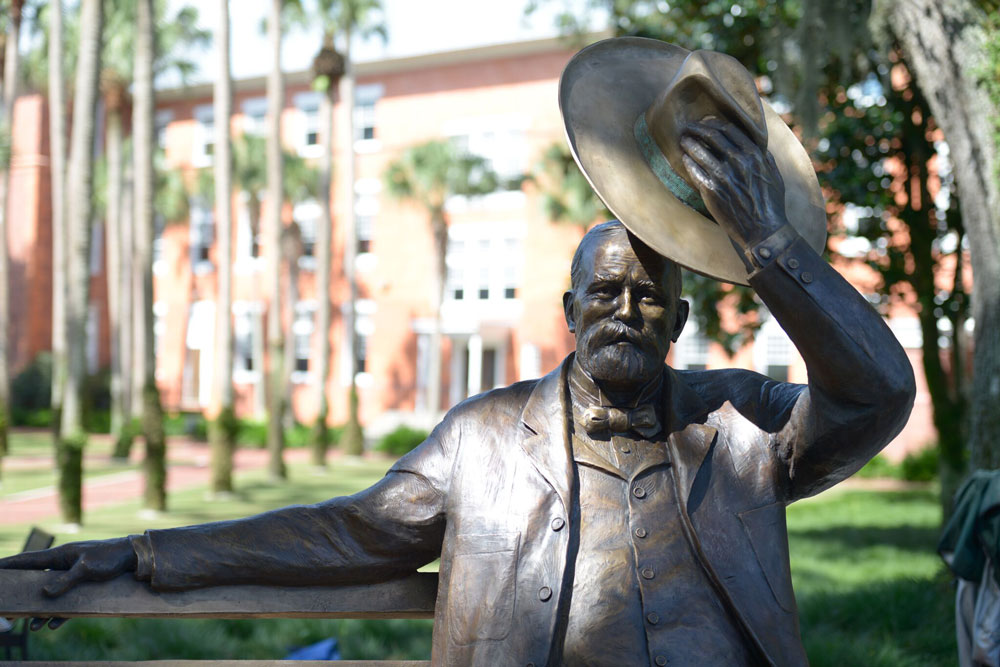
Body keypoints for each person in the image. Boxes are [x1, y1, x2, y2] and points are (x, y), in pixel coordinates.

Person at [1, 38, 915, 666]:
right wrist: (138, 555)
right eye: (605, 295)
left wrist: (768, 248)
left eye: (649, 300)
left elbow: (875, 395)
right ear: (568, 311)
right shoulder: (480, 439)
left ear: (678, 326)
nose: (627, 313)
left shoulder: (739, 424)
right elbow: (337, 532)